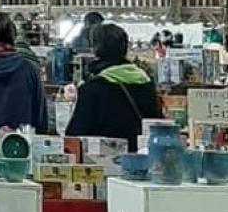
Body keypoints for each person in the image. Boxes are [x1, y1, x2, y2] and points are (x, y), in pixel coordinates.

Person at [66, 22, 163, 151]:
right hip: (142, 157)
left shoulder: (93, 88)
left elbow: (75, 134)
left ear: (95, 49)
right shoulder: (145, 82)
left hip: (105, 162)